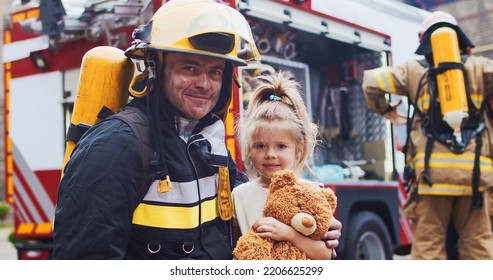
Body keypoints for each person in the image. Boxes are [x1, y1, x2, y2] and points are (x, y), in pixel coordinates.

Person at [52, 0, 341, 259]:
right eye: (189, 67)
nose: (205, 83)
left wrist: (308, 226)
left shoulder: (208, 143)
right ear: (157, 68)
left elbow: (250, 206)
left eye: (215, 71)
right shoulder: (116, 146)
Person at [362, 11, 493, 260]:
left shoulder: (413, 71)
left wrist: (386, 110)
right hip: (476, 178)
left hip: (433, 177)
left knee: (429, 249)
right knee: (478, 247)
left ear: (423, 39)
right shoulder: (480, 67)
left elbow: (371, 82)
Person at [232, 70, 338, 260]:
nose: (270, 154)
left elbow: (326, 255)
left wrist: (289, 234)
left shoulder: (311, 193)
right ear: (248, 149)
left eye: (281, 146)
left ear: (298, 149)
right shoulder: (239, 195)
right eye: (260, 146)